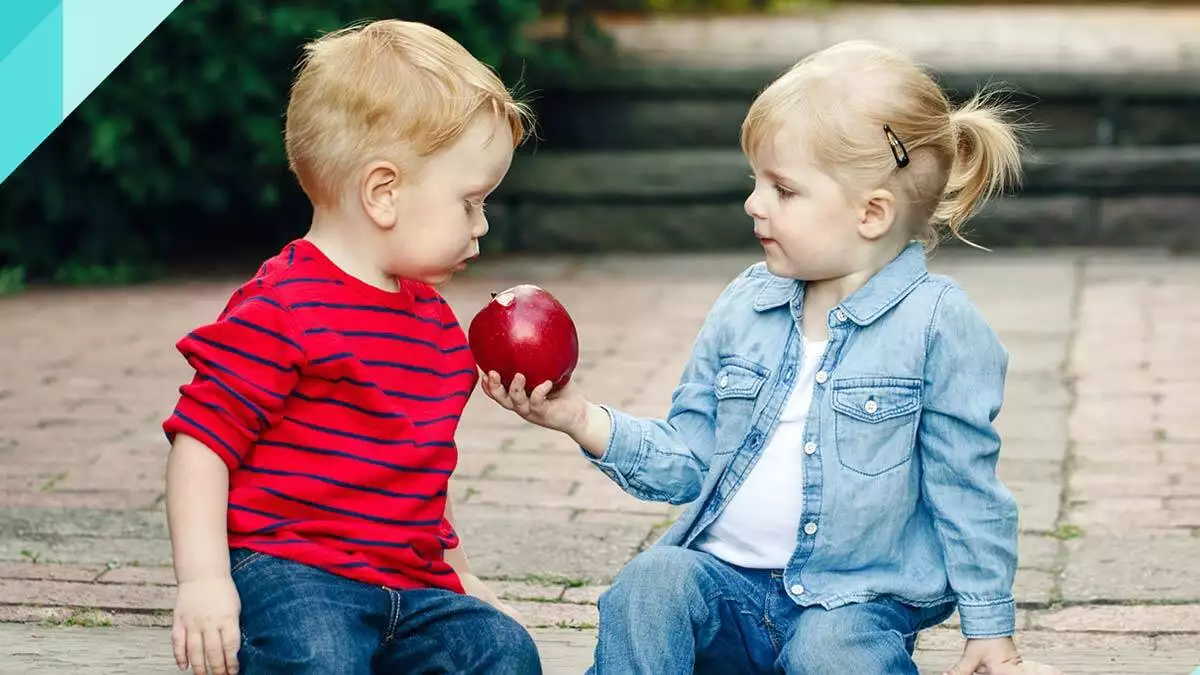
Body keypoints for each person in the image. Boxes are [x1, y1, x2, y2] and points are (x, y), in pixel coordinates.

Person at [483, 40, 1058, 675]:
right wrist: (577, 416)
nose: (755, 203)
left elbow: (966, 487)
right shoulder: (745, 305)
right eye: (756, 180)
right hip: (725, 586)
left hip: (852, 604)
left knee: (831, 653)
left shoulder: (938, 324)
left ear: (871, 213)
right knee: (651, 583)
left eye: (783, 189)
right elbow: (690, 459)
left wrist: (989, 628)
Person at [162, 19, 540, 675]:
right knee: (321, 656)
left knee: (502, 650)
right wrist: (203, 581)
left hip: (406, 583)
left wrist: (461, 573)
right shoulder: (281, 307)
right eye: (471, 203)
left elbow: (419, 469)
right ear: (384, 193)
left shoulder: (437, 326)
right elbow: (202, 446)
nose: (481, 228)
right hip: (288, 566)